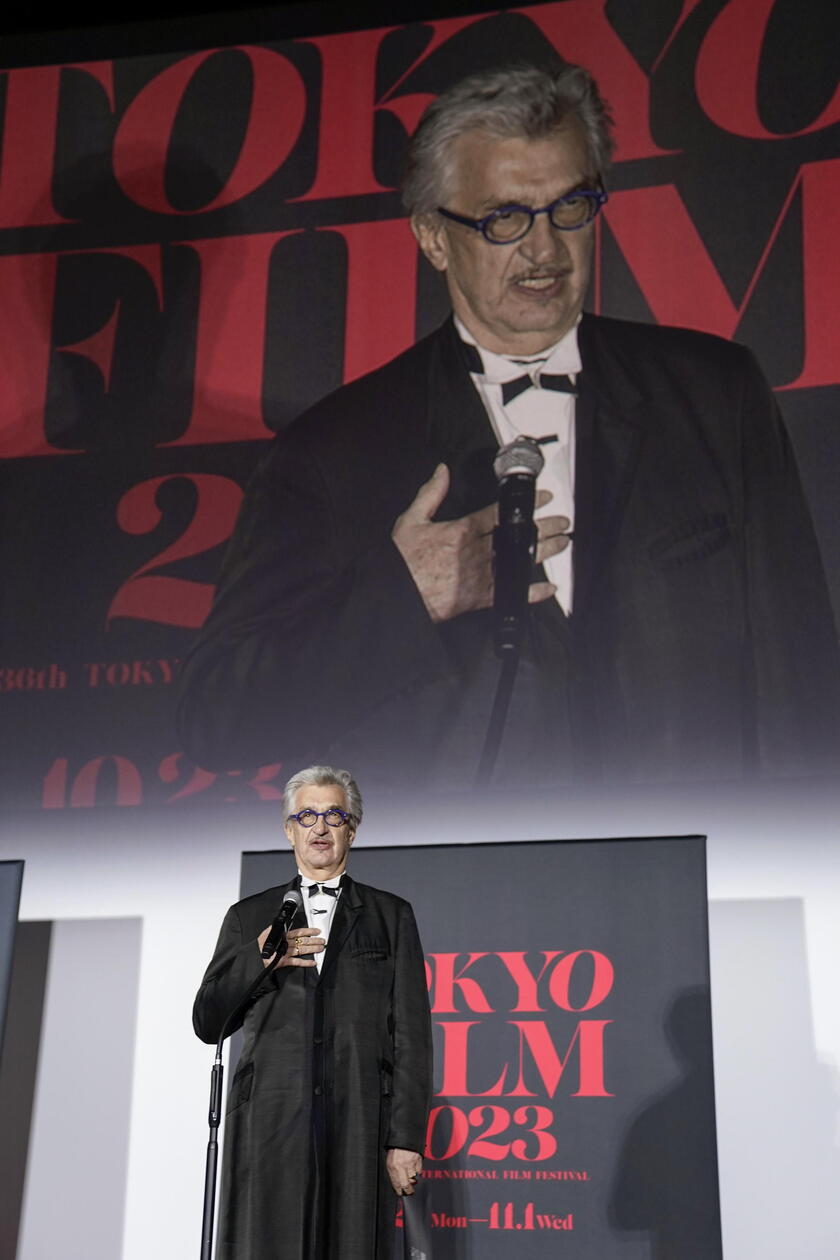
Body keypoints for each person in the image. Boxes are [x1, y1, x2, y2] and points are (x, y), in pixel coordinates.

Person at [177, 63, 840, 789]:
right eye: (504, 219)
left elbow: (799, 679)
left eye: (570, 208)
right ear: (433, 237)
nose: (545, 250)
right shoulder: (336, 451)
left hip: (701, 871)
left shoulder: (716, 394)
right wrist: (405, 595)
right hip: (461, 891)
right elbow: (220, 716)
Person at [193, 765, 432, 1260]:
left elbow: (411, 1034)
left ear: (352, 827)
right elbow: (208, 1022)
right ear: (288, 829)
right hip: (271, 1119)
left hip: (359, 1115)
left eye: (332, 815)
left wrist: (405, 1139)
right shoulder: (249, 917)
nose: (319, 827)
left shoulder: (392, 916)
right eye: (306, 815)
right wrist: (258, 959)